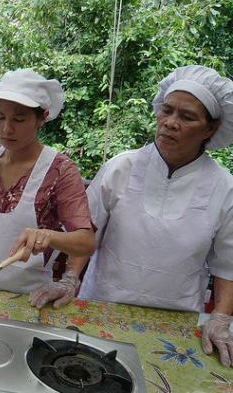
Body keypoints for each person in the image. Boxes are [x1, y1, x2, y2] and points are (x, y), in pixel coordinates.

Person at [19, 65, 233, 367]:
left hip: (176, 322)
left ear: (210, 129)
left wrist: (220, 319)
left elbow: (228, 263)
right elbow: (86, 232)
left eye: (187, 117)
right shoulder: (121, 168)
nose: (170, 123)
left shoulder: (224, 187)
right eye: (167, 111)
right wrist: (70, 280)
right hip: (103, 309)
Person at [0, 69, 95, 297]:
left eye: (19, 119)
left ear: (42, 118)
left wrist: (50, 236)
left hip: (23, 298)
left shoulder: (60, 171)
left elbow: (86, 242)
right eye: (0, 117)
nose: (7, 129)